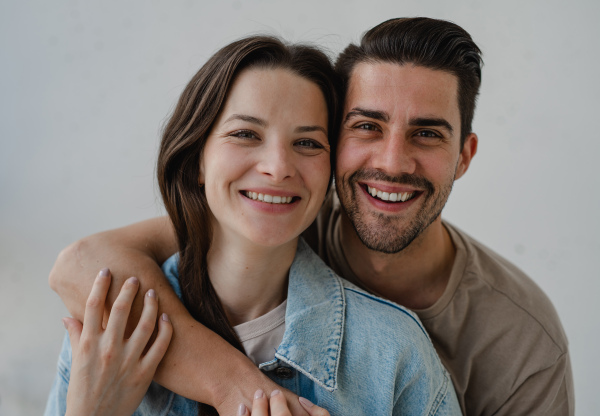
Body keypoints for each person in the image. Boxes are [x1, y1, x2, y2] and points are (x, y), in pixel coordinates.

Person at [49, 17, 574, 415]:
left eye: (428, 133)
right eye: (368, 126)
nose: (391, 162)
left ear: (465, 155)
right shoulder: (268, 216)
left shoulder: (518, 342)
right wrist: (240, 392)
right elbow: (83, 263)